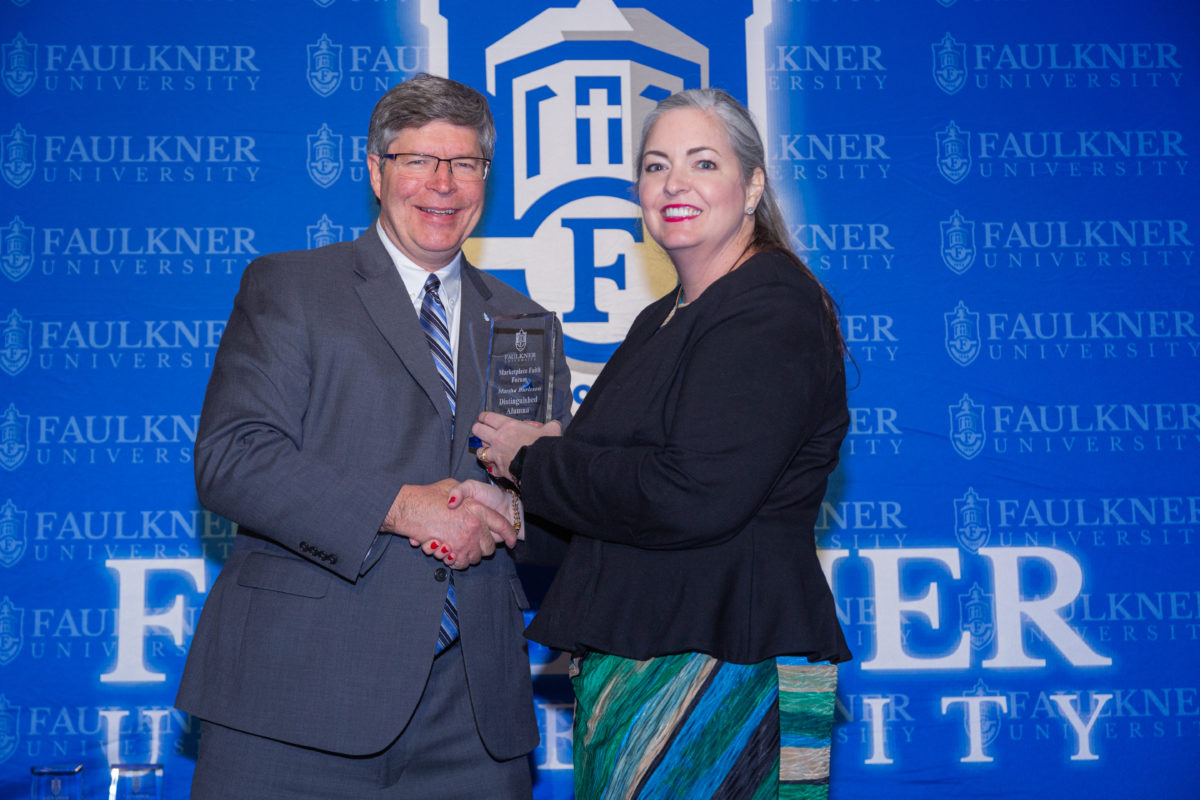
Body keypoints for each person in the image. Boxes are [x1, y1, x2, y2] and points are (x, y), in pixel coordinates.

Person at [176, 74, 571, 800]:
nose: (442, 184)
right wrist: (400, 505)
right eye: (419, 160)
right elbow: (233, 460)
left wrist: (525, 507)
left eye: (465, 164)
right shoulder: (290, 286)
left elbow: (556, 529)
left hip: (474, 720)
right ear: (375, 169)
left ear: (487, 176)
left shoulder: (527, 325)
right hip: (296, 701)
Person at [460, 88, 851, 798]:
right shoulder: (660, 319)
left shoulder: (770, 306)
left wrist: (537, 460)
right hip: (647, 665)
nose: (674, 184)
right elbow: (605, 498)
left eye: (703, 162)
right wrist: (508, 503)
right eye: (655, 165)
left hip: (727, 671)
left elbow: (691, 496)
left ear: (753, 183)